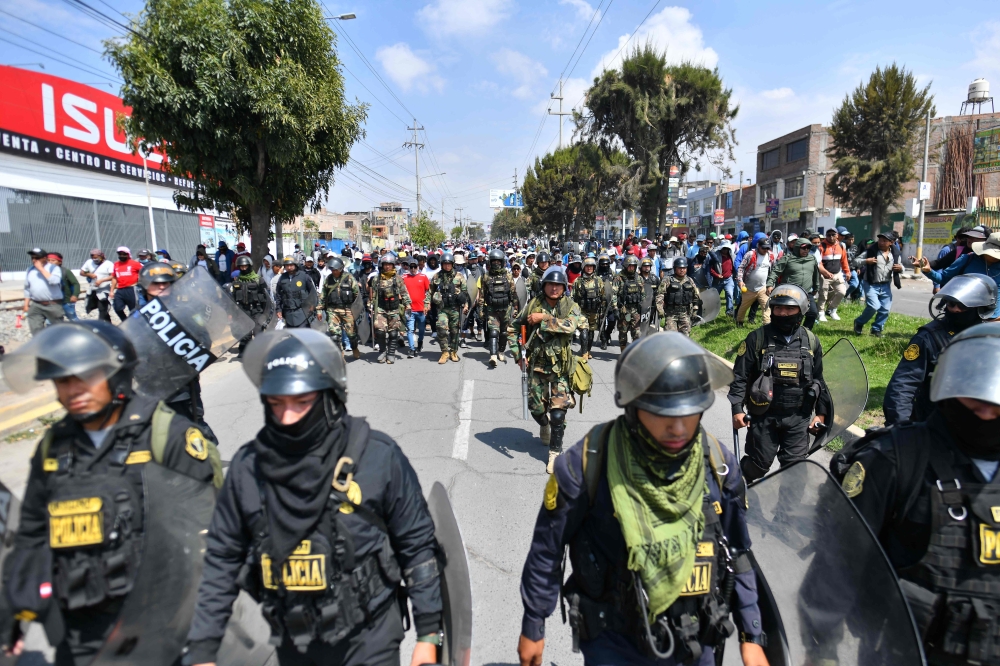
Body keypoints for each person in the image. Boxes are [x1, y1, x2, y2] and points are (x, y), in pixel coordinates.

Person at [184, 329, 442, 666]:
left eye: (302, 403)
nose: (287, 417)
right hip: (293, 641)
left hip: (370, 639)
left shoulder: (378, 457)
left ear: (331, 400)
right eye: (276, 404)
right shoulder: (249, 468)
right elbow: (222, 559)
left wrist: (428, 634)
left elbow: (418, 546)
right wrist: (203, 648)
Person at [517, 333, 768, 666]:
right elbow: (548, 549)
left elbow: (737, 549)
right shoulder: (587, 464)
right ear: (634, 407)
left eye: (690, 413)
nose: (678, 428)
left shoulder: (719, 465)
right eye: (663, 414)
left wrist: (752, 633)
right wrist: (534, 624)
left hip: (698, 638)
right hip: (615, 641)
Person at [0, 322, 221, 664]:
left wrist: (204, 643)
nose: (72, 390)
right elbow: (30, 537)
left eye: (85, 377)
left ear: (116, 373)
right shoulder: (55, 447)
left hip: (162, 628)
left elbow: (210, 542)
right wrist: (13, 615)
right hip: (82, 634)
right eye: (62, 381)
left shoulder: (167, 436)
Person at [833, 322, 1000, 666]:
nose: (986, 412)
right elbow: (835, 570)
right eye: (974, 395)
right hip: (900, 651)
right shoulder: (894, 458)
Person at [729, 283, 831, 483]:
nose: (783, 313)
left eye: (789, 309)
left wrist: (821, 412)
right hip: (764, 415)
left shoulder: (811, 341)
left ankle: (787, 515)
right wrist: (737, 409)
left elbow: (819, 379)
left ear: (800, 310)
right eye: (778, 308)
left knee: (794, 472)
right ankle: (732, 490)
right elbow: (739, 376)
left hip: (799, 417)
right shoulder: (756, 338)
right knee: (757, 466)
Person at [882, 274, 997, 427]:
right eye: (951, 303)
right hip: (936, 427)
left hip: (982, 428)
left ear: (982, 307)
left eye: (962, 305)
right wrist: (900, 428)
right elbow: (903, 385)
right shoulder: (929, 337)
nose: (955, 309)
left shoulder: (991, 337)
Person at [509, 268, 586, 473]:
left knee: (558, 414)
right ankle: (544, 425)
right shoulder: (533, 305)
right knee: (537, 410)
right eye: (550, 284)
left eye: (558, 285)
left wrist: (543, 318)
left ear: (564, 288)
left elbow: (570, 326)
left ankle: (555, 453)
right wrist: (518, 354)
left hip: (560, 368)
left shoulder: (571, 306)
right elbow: (513, 328)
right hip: (536, 366)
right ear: (544, 286)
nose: (554, 288)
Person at [922, 230, 1000, 321]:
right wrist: (929, 271)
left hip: (995, 319)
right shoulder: (968, 259)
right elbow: (943, 278)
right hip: (964, 316)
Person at [853, 231, 903, 338]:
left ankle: (876, 329)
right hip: (871, 283)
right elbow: (855, 261)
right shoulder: (871, 251)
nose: (881, 242)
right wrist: (866, 261)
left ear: (891, 242)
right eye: (880, 240)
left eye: (884, 241)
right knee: (874, 306)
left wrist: (901, 268)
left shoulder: (895, 254)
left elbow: (900, 266)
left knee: (885, 309)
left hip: (885, 285)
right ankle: (859, 322)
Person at [766, 237, 821, 330]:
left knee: (812, 313)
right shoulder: (787, 258)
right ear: (797, 248)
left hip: (806, 292)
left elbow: (816, 273)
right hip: (790, 293)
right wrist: (769, 284)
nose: (806, 250)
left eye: (808, 248)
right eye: (803, 248)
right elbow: (775, 272)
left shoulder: (812, 259)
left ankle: (806, 332)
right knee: (792, 315)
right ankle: (783, 331)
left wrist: (816, 287)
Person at [370, 255, 411, 364]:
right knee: (380, 332)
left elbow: (404, 293)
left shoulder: (398, 278)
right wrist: (371, 306)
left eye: (389, 264)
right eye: (385, 264)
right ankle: (382, 351)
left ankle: (391, 353)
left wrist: (408, 305)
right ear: (382, 265)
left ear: (393, 265)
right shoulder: (376, 279)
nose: (387, 267)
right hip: (381, 309)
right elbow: (373, 294)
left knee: (393, 333)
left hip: (394, 309)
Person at [480, 249, 518, 368]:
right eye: (494, 261)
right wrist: (481, 309)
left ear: (502, 262)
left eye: (498, 261)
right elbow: (482, 294)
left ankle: (501, 351)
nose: (496, 263)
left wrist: (516, 308)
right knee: (493, 331)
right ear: (490, 262)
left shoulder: (508, 275)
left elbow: (513, 292)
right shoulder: (486, 276)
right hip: (492, 309)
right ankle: (493, 356)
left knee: (503, 332)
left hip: (506, 309)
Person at [430, 253, 469, 364]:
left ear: (452, 264)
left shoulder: (459, 276)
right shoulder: (437, 276)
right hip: (442, 309)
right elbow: (430, 291)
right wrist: (427, 304)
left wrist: (466, 305)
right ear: (442, 264)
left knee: (454, 331)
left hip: (455, 309)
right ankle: (444, 352)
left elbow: (465, 293)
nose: (447, 266)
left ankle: (453, 351)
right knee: (441, 329)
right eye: (445, 264)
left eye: (449, 264)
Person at [230, 256, 272, 356]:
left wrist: (266, 314)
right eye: (241, 267)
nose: (244, 268)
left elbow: (266, 298)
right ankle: (245, 350)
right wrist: (232, 313)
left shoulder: (258, 280)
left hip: (257, 310)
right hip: (243, 310)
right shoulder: (237, 281)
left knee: (258, 332)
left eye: (245, 266)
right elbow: (232, 298)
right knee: (245, 333)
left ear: (249, 266)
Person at [322, 257, 361, 359]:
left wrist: (357, 311)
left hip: (347, 310)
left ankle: (354, 347)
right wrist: (318, 309)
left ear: (341, 268)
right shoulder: (328, 279)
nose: (334, 272)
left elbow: (357, 295)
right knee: (334, 335)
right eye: (332, 270)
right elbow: (323, 295)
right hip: (332, 310)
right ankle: (340, 356)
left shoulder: (349, 278)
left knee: (351, 334)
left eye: (336, 270)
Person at [22, 248, 64, 334]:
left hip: (53, 304)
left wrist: (41, 269)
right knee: (35, 328)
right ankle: (40, 345)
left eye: (37, 258)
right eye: (32, 258)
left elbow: (54, 281)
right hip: (36, 304)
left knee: (58, 330)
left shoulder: (53, 268)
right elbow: (27, 288)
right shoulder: (30, 269)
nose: (34, 260)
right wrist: (26, 305)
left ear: (45, 258)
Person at [571, 256, 606, 360]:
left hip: (594, 311)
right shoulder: (578, 281)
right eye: (587, 266)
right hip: (582, 311)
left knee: (591, 332)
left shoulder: (598, 280)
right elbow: (572, 297)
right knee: (584, 330)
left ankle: (588, 350)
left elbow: (603, 295)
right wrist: (574, 311)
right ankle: (584, 353)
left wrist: (603, 310)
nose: (589, 268)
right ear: (583, 267)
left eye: (591, 266)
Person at [656, 257, 701, 337]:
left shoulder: (690, 281)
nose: (682, 270)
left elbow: (696, 297)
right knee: (671, 337)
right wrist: (660, 309)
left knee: (685, 338)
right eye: (680, 268)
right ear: (675, 268)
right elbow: (660, 295)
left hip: (685, 314)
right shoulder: (668, 280)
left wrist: (695, 309)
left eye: (684, 268)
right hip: (671, 314)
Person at [816, 227, 852, 322]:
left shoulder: (841, 246)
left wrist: (847, 272)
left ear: (837, 235)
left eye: (833, 235)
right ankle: (820, 313)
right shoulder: (821, 246)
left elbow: (844, 260)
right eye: (829, 235)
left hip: (837, 274)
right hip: (824, 275)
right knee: (823, 295)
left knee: (842, 292)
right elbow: (819, 263)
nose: (831, 237)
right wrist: (825, 272)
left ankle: (832, 310)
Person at [736, 239, 774, 327]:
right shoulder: (750, 254)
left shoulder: (770, 255)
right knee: (744, 307)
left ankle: (767, 325)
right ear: (758, 246)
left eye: (767, 248)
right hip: (749, 287)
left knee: (767, 307)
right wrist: (740, 280)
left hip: (763, 287)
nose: (765, 250)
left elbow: (772, 271)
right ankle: (739, 321)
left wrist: (770, 284)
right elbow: (741, 268)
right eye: (763, 248)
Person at [275, 257, 318, 328]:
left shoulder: (304, 276)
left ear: (295, 265)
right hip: (288, 313)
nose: (289, 267)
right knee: (292, 336)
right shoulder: (282, 278)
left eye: (291, 265)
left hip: (303, 312)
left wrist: (312, 306)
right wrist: (278, 309)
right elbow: (278, 295)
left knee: (302, 335)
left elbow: (313, 292)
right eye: (287, 266)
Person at [612, 255, 643, 352]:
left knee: (637, 333)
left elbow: (643, 294)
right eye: (629, 266)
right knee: (623, 333)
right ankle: (623, 352)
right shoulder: (618, 278)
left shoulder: (639, 278)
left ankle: (634, 353)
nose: (631, 268)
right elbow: (614, 294)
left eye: (633, 266)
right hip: (624, 310)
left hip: (636, 310)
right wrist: (615, 308)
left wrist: (643, 306)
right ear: (625, 266)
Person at [402, 257, 430, 358]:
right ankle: (411, 349)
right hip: (409, 309)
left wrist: (427, 304)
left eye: (415, 267)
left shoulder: (423, 277)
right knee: (410, 329)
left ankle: (420, 341)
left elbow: (428, 291)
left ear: (418, 267)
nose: (413, 269)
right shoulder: (404, 277)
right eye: (411, 267)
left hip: (421, 309)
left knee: (421, 329)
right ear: (408, 267)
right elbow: (400, 291)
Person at [80, 249, 114, 322]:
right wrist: (89, 274)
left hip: (104, 289)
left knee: (102, 307)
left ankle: (100, 325)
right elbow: (81, 272)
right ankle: (109, 324)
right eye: (93, 258)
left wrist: (102, 280)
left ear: (101, 256)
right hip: (93, 289)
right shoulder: (89, 262)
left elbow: (112, 276)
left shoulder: (109, 264)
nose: (95, 259)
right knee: (95, 307)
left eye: (97, 258)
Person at [110, 246, 142, 322]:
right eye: (120, 254)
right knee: (117, 308)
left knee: (134, 309)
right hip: (120, 289)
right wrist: (111, 291)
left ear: (128, 254)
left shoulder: (135, 263)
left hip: (132, 289)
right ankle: (125, 321)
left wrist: (139, 282)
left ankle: (136, 324)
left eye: (124, 254)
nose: (122, 256)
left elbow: (143, 273)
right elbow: (114, 278)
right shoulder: (116, 264)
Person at [48, 253, 81, 321]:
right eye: (48, 260)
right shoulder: (45, 272)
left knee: (73, 319)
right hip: (52, 302)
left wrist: (75, 295)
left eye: (53, 260)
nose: (50, 262)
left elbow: (75, 284)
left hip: (65, 301)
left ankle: (81, 331)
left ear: (60, 262)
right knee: (51, 321)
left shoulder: (65, 271)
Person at [708, 242, 735, 316]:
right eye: (724, 248)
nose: (725, 250)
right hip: (718, 280)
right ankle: (712, 312)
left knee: (729, 294)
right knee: (714, 297)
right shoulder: (715, 256)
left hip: (728, 279)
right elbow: (710, 269)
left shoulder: (731, 256)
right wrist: (717, 275)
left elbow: (734, 265)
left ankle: (729, 312)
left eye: (727, 248)